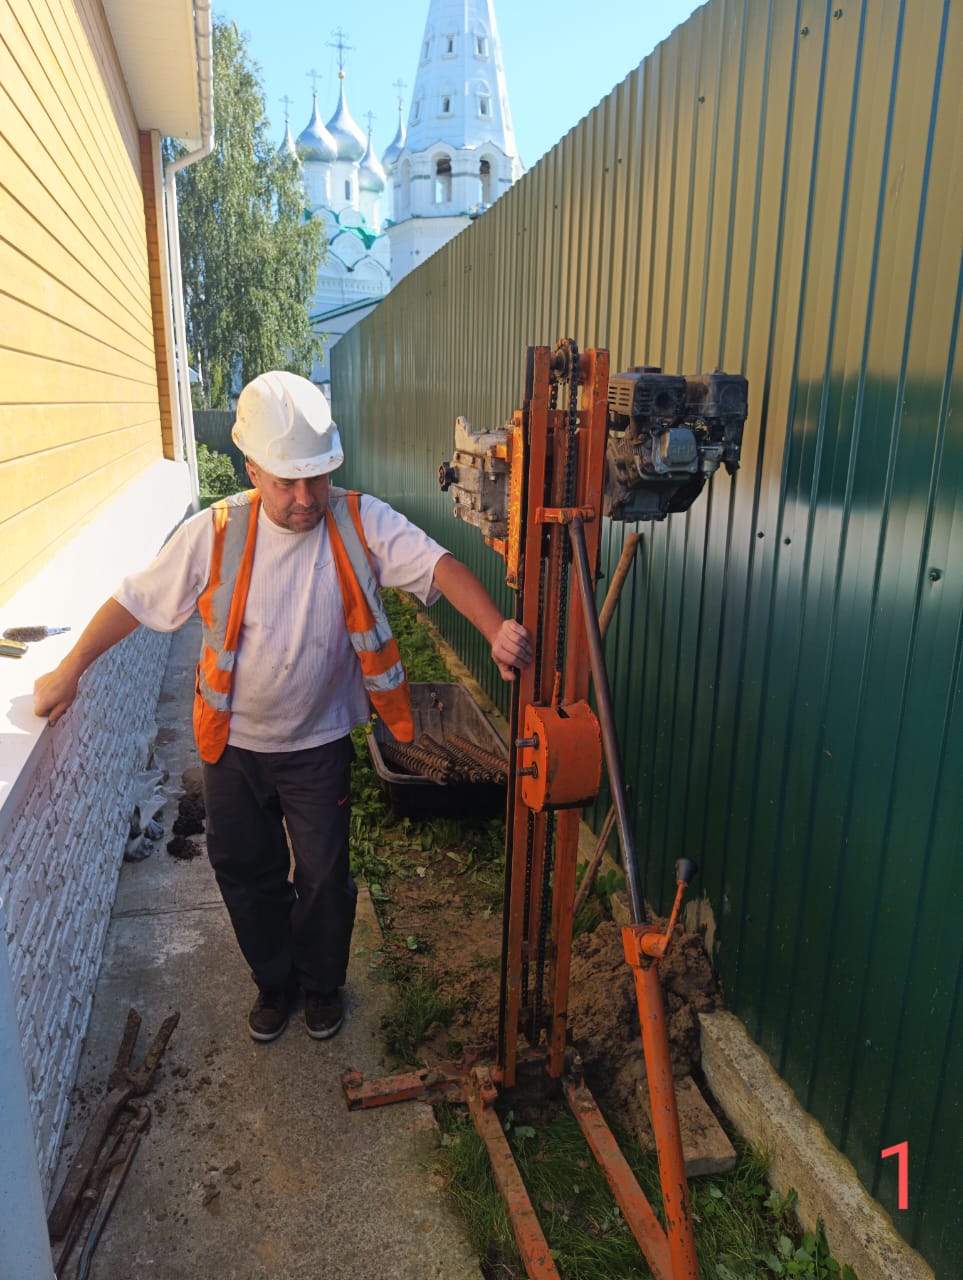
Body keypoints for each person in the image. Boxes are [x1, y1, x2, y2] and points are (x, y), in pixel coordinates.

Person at [34, 371, 532, 1044]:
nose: (305, 499)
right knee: (245, 871)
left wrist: (495, 630)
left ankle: (322, 984)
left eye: (317, 479)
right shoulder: (215, 533)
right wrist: (69, 670)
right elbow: (134, 600)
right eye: (286, 482)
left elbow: (438, 566)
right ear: (252, 471)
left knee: (324, 876)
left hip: (317, 746)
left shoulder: (359, 520)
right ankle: (275, 983)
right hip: (232, 747)